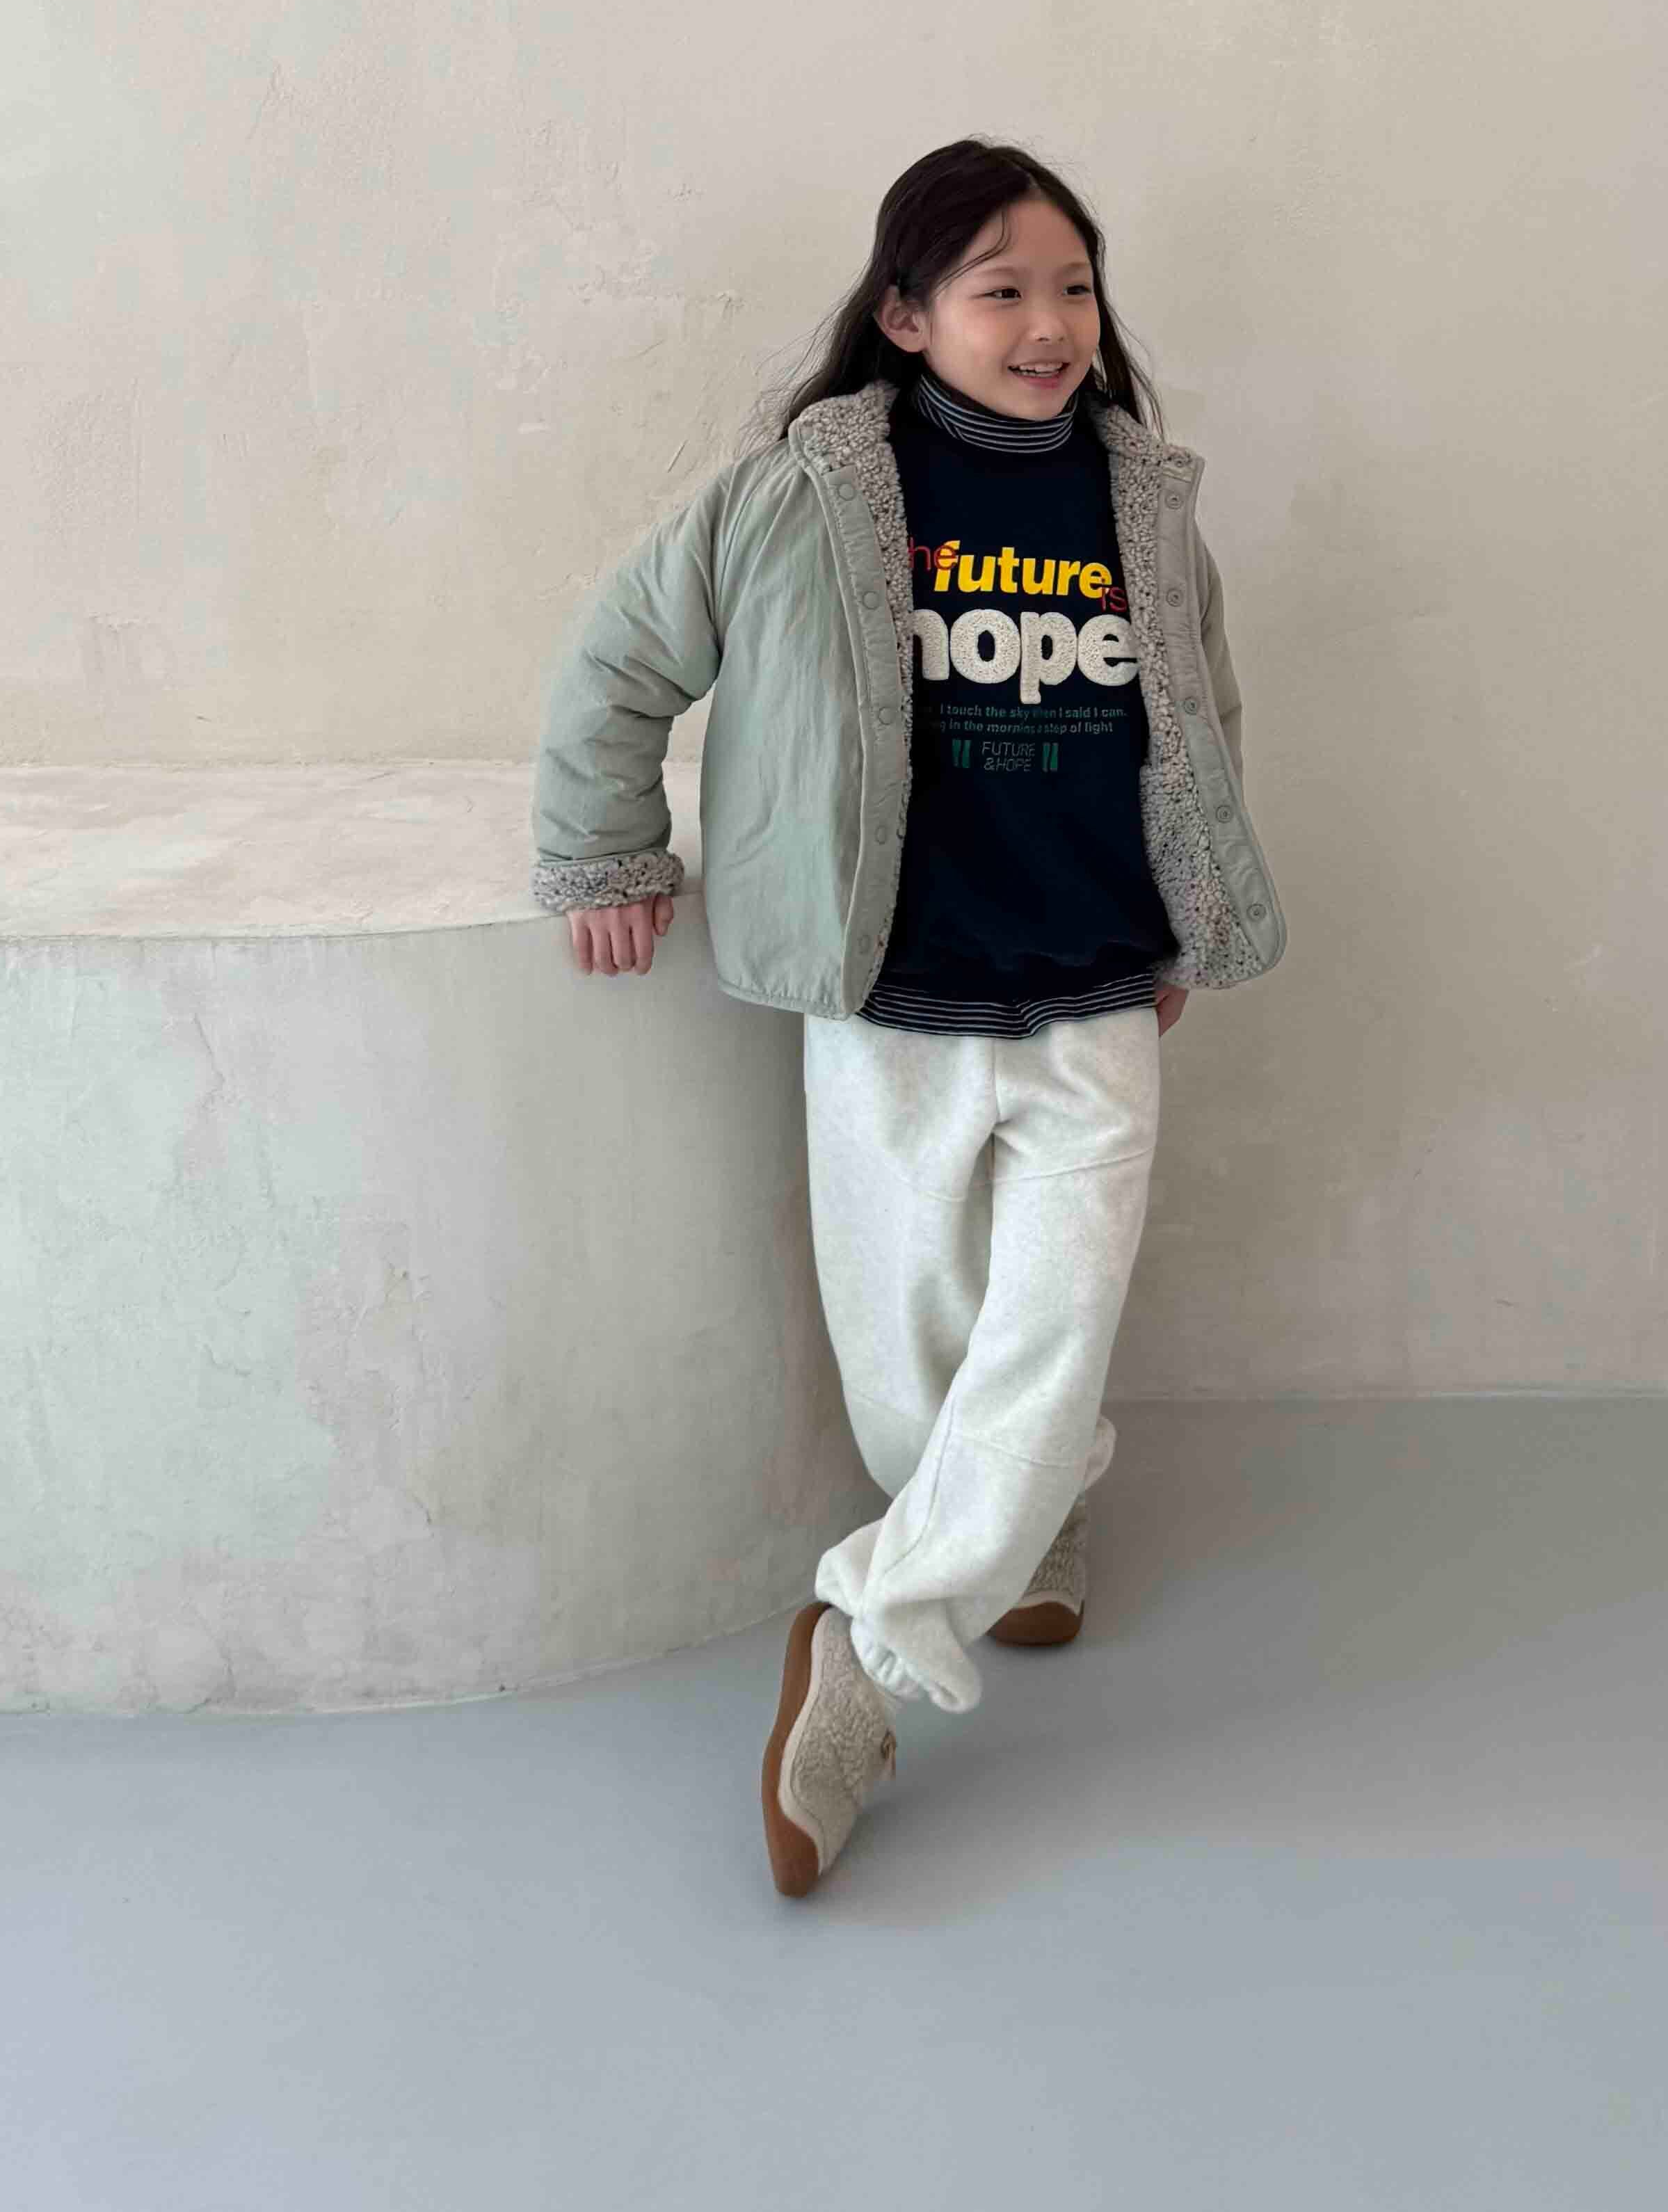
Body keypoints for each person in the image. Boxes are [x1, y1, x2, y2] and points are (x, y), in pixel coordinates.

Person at [524, 137, 1288, 1900]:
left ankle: (863, 1663)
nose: (1049, 324)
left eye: (1074, 287)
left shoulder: (1144, 504)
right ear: (906, 313)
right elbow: (620, 663)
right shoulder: (796, 499)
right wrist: (605, 853)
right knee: (916, 1368)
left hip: (1096, 986)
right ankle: (1029, 1515)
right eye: (1002, 290)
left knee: (1054, 1327)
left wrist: (1191, 909)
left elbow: (1206, 719)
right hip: (889, 997)